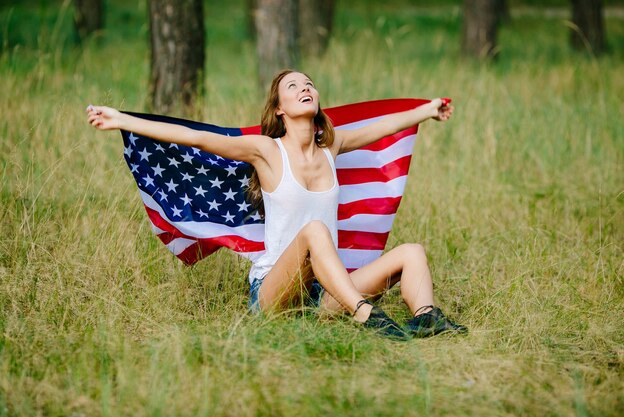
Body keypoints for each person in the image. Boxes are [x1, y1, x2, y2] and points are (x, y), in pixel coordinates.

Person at [87, 69, 467, 340]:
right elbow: (195, 137)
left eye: (309, 84)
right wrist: (124, 119)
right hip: (274, 292)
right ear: (280, 108)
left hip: (325, 293)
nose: (305, 88)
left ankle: (426, 319)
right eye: (293, 85)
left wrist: (428, 111)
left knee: (412, 252)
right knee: (315, 232)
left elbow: (379, 128)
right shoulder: (267, 151)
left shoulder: (330, 147)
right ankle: (365, 314)